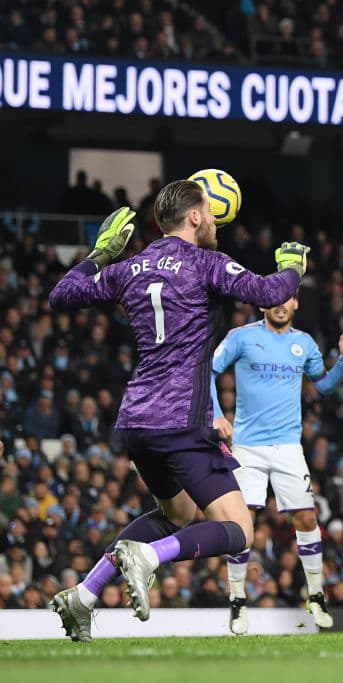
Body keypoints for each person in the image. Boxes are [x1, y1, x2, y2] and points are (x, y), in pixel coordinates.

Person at [47, 180, 308, 641]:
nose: (213, 221)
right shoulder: (205, 263)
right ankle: (148, 558)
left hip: (136, 420)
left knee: (176, 515)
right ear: (193, 216)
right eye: (209, 213)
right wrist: (291, 269)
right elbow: (269, 293)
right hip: (181, 419)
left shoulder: (131, 266)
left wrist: (100, 254)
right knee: (238, 529)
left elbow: (62, 296)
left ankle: (83, 597)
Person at [210, 297, 343, 634]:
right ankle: (237, 599)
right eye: (273, 298)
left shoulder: (303, 343)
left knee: (306, 517)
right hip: (247, 446)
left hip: (288, 447)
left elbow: (323, 386)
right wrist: (217, 413)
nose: (281, 304)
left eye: (288, 299)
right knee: (241, 521)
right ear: (263, 303)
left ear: (296, 303)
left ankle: (317, 596)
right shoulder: (241, 336)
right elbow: (209, 370)